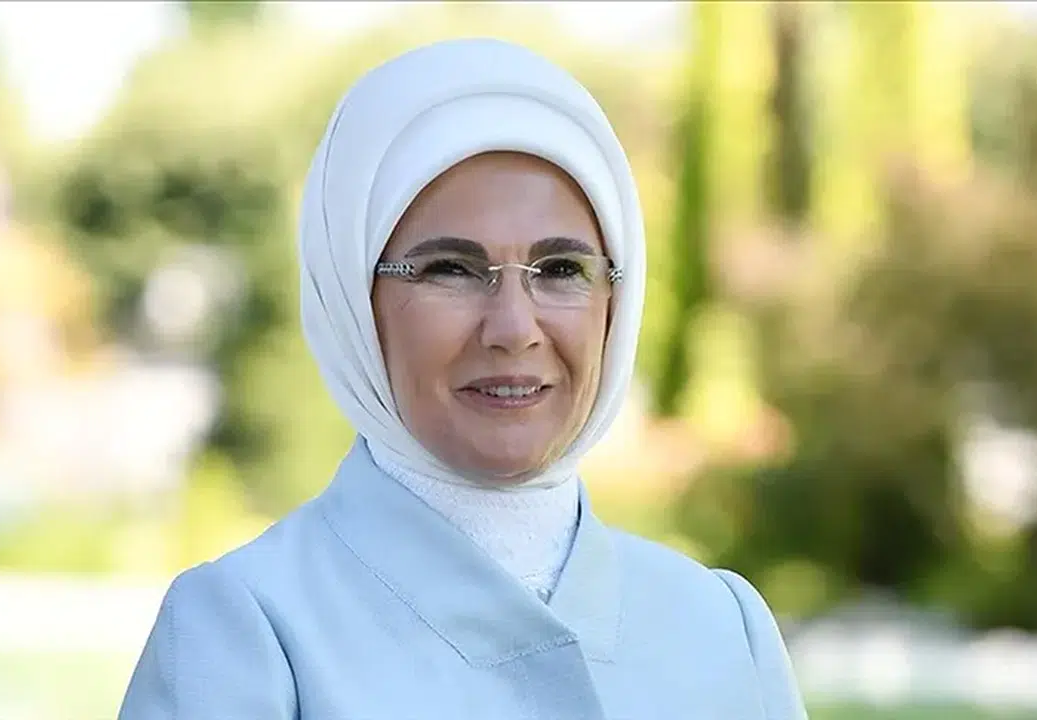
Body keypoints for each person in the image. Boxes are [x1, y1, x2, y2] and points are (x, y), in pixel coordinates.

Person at [117, 37, 807, 720]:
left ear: (615, 302)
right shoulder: (245, 634)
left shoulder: (723, 629)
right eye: (450, 269)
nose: (514, 328)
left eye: (562, 270)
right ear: (354, 300)